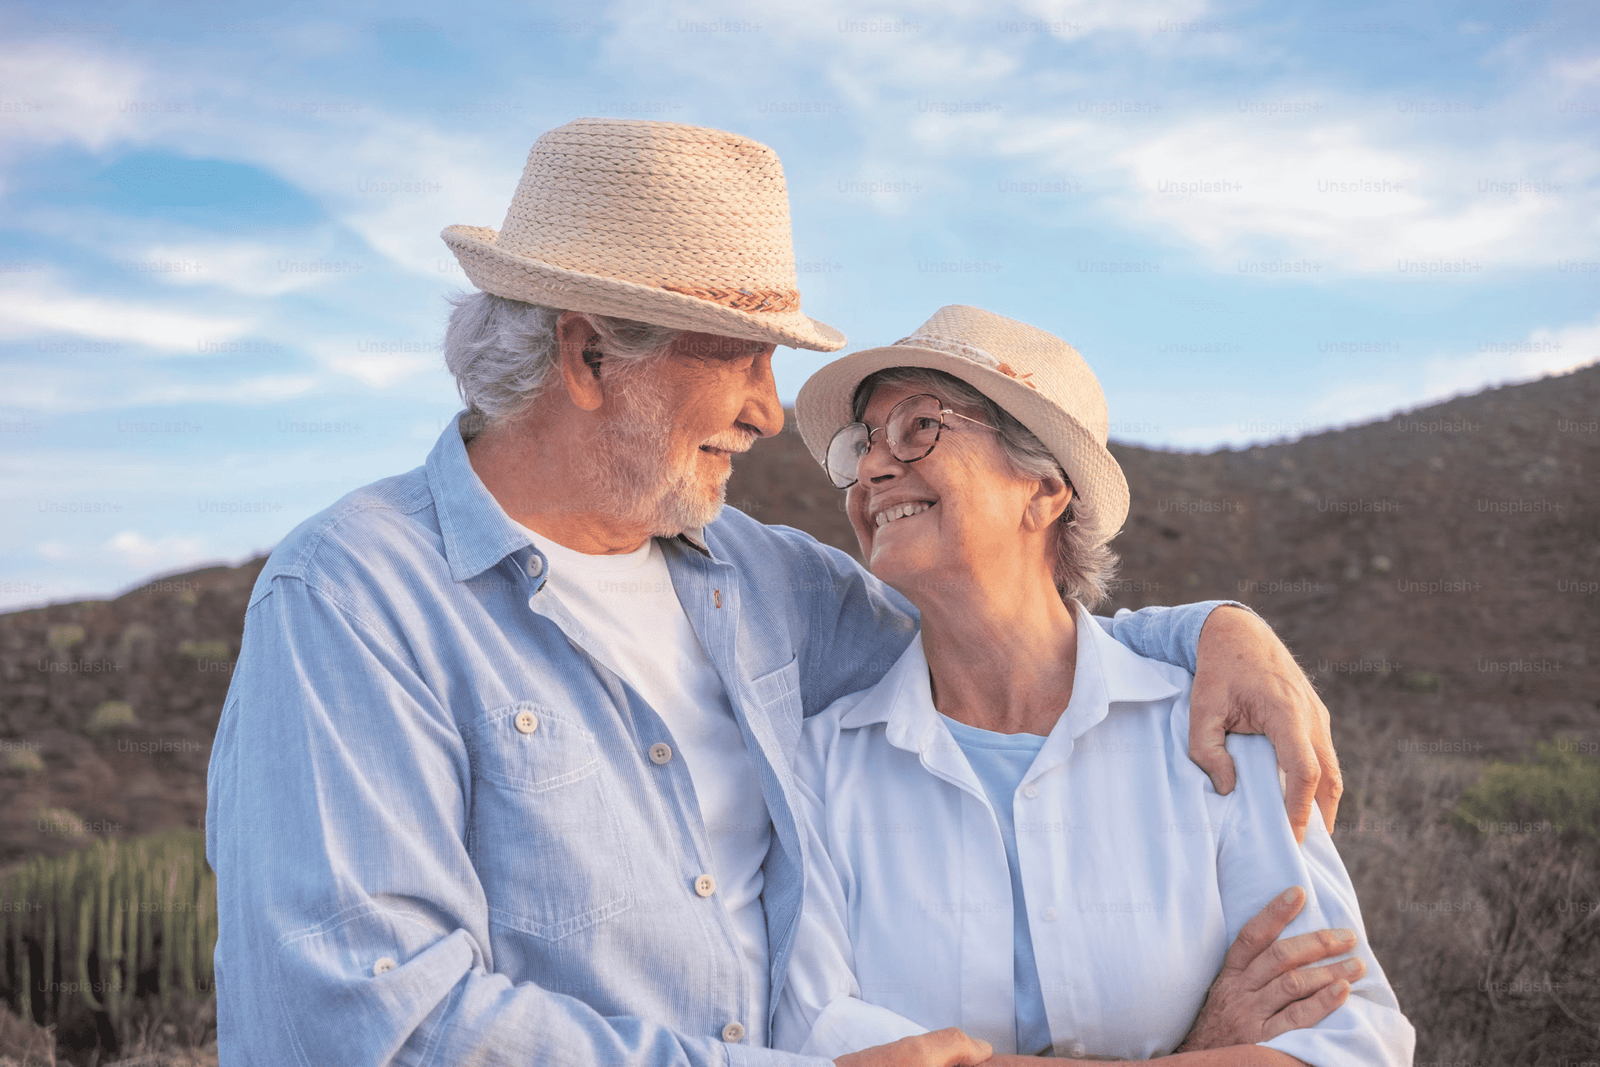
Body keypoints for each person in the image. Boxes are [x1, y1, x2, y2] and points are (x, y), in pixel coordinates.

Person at [206, 119, 1343, 1065]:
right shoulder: (351, 600)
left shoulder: (760, 581)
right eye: (741, 354)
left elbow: (1005, 631)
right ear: (587, 354)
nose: (766, 409)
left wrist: (1216, 632)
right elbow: (358, 1026)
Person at [775, 306, 1414, 1065]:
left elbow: (1352, 1041)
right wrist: (1194, 1050)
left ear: (1045, 488)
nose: (875, 468)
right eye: (864, 442)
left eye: (918, 427)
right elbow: (813, 1040)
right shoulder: (817, 764)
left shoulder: (1211, 732)